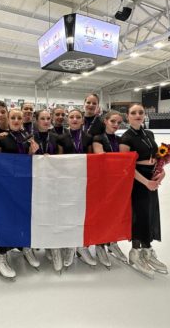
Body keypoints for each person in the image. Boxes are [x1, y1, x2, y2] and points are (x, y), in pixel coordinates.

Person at [120, 103, 166, 278]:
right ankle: (135, 252)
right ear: (128, 116)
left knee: (150, 213)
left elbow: (157, 158)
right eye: (133, 113)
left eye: (140, 112)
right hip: (138, 181)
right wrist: (146, 182)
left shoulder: (149, 133)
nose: (138, 115)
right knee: (139, 216)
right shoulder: (125, 139)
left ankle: (147, 249)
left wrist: (162, 173)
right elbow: (126, 168)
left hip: (152, 180)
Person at [0, 108, 40, 278]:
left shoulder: (28, 137)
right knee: (5, 218)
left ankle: (25, 247)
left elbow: (28, 161)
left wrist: (33, 152)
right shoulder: (1, 138)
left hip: (23, 184)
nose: (16, 120)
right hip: (6, 185)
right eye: (13, 117)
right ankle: (1, 256)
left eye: (19, 118)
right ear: (8, 119)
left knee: (24, 216)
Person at [56, 109, 96, 267]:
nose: (74, 119)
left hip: (83, 181)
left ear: (82, 121)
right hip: (66, 182)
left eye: (78, 117)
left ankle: (81, 246)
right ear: (67, 120)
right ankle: (68, 245)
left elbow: (92, 160)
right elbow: (58, 160)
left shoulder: (88, 137)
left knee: (82, 213)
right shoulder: (61, 138)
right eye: (71, 117)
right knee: (67, 213)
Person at [92, 111, 129, 268]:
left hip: (117, 184)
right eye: (113, 121)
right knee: (102, 214)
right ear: (105, 121)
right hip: (102, 183)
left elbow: (125, 161)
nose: (116, 125)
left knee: (114, 214)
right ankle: (100, 245)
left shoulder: (120, 140)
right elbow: (101, 158)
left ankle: (112, 241)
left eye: (119, 122)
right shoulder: (98, 138)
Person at [33, 110, 62, 272]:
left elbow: (61, 159)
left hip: (52, 181)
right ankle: (41, 243)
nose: (45, 121)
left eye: (47, 119)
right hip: (36, 182)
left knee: (53, 213)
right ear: (36, 120)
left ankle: (54, 247)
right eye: (42, 119)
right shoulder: (29, 138)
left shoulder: (56, 137)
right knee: (40, 213)